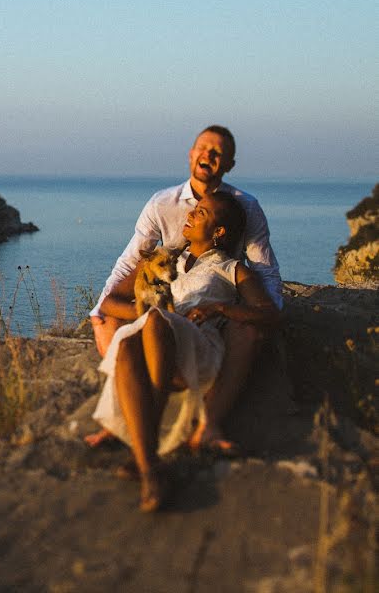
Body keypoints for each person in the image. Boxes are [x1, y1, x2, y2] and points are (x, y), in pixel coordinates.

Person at [87, 126, 282, 450]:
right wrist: (100, 309)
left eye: (218, 152)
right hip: (169, 298)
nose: (209, 155)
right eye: (203, 147)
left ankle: (201, 424)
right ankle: (128, 424)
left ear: (229, 165)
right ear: (191, 154)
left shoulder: (243, 209)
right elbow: (131, 262)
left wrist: (256, 314)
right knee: (128, 323)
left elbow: (265, 271)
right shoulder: (162, 205)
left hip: (205, 309)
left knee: (235, 330)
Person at [93, 191, 281, 511]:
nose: (191, 213)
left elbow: (269, 314)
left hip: (197, 350)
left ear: (219, 232)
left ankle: (144, 452)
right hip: (155, 340)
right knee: (130, 340)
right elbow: (109, 301)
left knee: (156, 324)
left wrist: (222, 308)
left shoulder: (233, 268)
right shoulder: (163, 259)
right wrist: (146, 312)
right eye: (195, 208)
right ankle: (151, 469)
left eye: (203, 213)